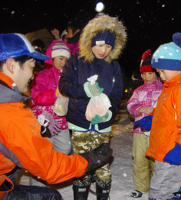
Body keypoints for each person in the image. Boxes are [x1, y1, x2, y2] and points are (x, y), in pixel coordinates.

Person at [0, 33, 112, 200]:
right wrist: (89, 160)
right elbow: (49, 166)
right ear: (11, 65)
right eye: (31, 66)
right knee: (50, 196)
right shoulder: (10, 111)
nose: (32, 75)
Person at [58, 13, 127, 200]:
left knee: (102, 166)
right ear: (90, 42)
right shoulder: (76, 61)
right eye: (99, 44)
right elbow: (63, 86)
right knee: (81, 166)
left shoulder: (113, 66)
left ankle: (102, 196)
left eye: (108, 45)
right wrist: (84, 90)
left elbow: (116, 93)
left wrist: (108, 114)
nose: (103, 50)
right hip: (79, 122)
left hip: (102, 126)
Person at [134, 33, 181, 200]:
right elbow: (167, 112)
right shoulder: (171, 87)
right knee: (167, 187)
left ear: (175, 66)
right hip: (166, 147)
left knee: (160, 190)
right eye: (158, 72)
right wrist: (153, 118)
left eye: (162, 71)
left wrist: (180, 148)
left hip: (174, 149)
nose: (160, 76)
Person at [127, 49, 163, 198]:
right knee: (140, 158)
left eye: (150, 73)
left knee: (156, 160)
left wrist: (155, 111)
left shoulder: (163, 89)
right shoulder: (138, 90)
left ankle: (157, 188)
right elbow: (130, 105)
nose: (147, 77)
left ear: (155, 73)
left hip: (156, 130)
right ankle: (141, 187)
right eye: (144, 74)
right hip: (139, 131)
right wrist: (141, 108)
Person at [31, 41, 72, 154]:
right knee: (46, 148)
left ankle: (58, 166)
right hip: (46, 121)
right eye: (60, 58)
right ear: (52, 58)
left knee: (65, 148)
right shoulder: (43, 75)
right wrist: (54, 94)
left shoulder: (68, 77)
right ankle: (47, 168)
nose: (63, 62)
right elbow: (36, 96)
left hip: (62, 121)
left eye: (66, 59)